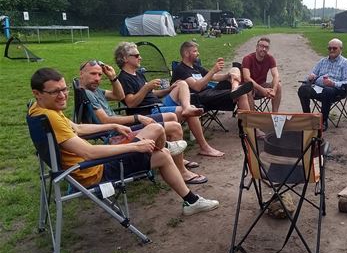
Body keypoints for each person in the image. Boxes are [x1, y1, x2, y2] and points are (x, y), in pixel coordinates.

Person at [29, 68, 219, 216]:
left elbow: (78, 128)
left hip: (83, 167)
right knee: (160, 148)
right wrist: (137, 146)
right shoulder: (51, 117)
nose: (62, 95)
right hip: (93, 171)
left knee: (157, 134)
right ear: (37, 93)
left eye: (64, 89)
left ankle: (189, 195)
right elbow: (90, 153)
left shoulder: (40, 110)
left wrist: (111, 127)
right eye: (55, 92)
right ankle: (190, 197)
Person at [78, 59, 207, 184]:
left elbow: (119, 96)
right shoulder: (87, 93)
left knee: (172, 121)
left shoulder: (96, 91)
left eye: (99, 75)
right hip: (116, 134)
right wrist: (137, 118)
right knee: (174, 127)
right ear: (81, 74)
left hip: (121, 127)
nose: (97, 78)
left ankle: (173, 156)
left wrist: (113, 78)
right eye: (93, 74)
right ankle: (180, 169)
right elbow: (106, 120)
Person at [114, 42, 224, 157]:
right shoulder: (124, 78)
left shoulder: (138, 74)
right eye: (136, 56)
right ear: (125, 58)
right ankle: (204, 147)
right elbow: (131, 103)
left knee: (181, 83)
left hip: (158, 105)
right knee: (192, 111)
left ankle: (186, 109)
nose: (140, 57)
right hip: (148, 112)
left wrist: (169, 89)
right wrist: (147, 87)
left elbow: (152, 94)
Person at [171, 41, 252, 112]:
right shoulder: (181, 69)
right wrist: (213, 70)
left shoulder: (195, 66)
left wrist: (228, 75)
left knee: (235, 69)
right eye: (195, 51)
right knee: (242, 93)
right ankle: (249, 128)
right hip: (198, 99)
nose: (198, 53)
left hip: (209, 93)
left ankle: (235, 89)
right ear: (186, 53)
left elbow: (214, 77)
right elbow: (197, 87)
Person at [297, 38, 347, 130]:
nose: (331, 50)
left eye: (334, 48)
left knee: (328, 90)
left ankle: (322, 121)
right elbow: (313, 74)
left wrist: (333, 83)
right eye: (329, 48)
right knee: (303, 89)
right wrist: (311, 77)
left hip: (336, 90)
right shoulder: (322, 61)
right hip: (319, 88)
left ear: (340, 49)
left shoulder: (345, 63)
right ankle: (308, 117)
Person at [242, 37, 282, 112]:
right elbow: (246, 78)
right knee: (248, 90)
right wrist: (263, 90)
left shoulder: (270, 58)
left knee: (278, 85)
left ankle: (275, 114)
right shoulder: (247, 58)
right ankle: (253, 116)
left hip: (262, 85)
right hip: (250, 86)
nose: (264, 49)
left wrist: (274, 90)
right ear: (257, 47)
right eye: (262, 46)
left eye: (266, 47)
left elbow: (276, 75)